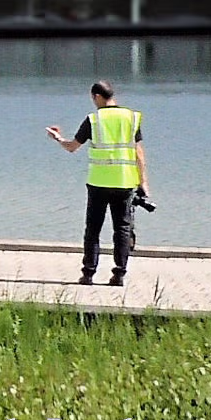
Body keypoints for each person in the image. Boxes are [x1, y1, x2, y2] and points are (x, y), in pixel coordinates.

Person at [47, 79, 149, 287]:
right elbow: (139, 153)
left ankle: (88, 274)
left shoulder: (94, 120)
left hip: (98, 183)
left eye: (93, 99)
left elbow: (72, 147)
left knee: (93, 229)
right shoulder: (131, 117)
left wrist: (57, 137)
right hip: (125, 181)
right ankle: (119, 274)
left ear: (97, 97)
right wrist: (143, 183)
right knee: (122, 228)